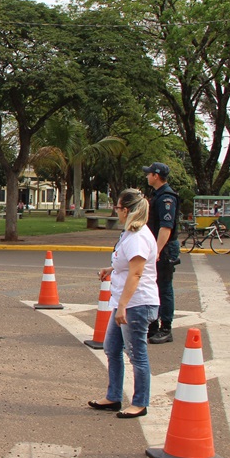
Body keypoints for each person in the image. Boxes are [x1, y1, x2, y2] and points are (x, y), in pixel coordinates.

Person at [88, 188, 159, 419]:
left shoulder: (138, 237)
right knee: (111, 347)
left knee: (136, 354)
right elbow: (128, 265)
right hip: (125, 302)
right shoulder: (130, 233)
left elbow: (136, 274)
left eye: (117, 207)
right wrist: (112, 269)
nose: (116, 211)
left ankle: (140, 403)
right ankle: (113, 396)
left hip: (136, 304)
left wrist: (122, 307)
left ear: (126, 210)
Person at [143, 162, 180, 344]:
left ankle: (166, 328)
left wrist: (156, 251)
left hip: (164, 249)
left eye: (149, 173)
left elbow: (166, 228)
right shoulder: (157, 195)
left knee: (164, 288)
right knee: (153, 286)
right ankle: (153, 326)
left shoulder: (167, 198)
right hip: (156, 247)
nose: (147, 176)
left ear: (156, 176)